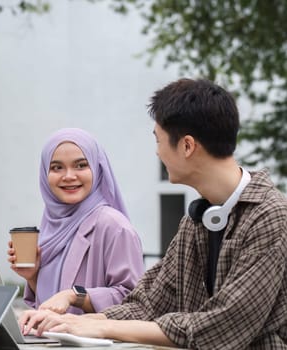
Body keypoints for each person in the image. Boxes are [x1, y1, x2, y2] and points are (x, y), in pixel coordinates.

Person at [19, 79, 287, 349]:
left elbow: (224, 325)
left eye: (158, 141)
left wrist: (103, 326)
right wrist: (76, 322)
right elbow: (148, 302)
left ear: (187, 146)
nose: (157, 152)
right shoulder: (196, 221)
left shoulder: (271, 217)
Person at [8, 128, 144, 315]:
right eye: (57, 167)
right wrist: (33, 278)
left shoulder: (114, 226)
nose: (69, 176)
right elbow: (53, 305)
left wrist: (75, 296)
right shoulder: (53, 225)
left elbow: (133, 301)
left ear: (97, 169)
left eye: (80, 165)